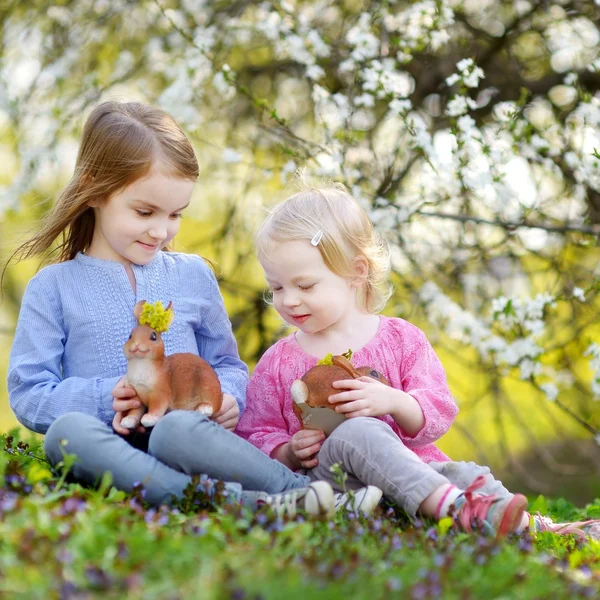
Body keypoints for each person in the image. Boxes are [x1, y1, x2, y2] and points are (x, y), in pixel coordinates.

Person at [6, 100, 342, 519]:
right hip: (109, 447)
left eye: (175, 214)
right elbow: (29, 393)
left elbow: (228, 365)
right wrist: (107, 397)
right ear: (94, 188)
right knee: (65, 436)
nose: (161, 231)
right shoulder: (53, 288)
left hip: (185, 434)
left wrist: (229, 399)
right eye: (145, 212)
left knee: (174, 429)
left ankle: (302, 492)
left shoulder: (193, 276)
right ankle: (248, 505)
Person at [236, 182, 600, 539]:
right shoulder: (279, 361)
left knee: (465, 473)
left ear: (356, 272)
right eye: (277, 288)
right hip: (338, 486)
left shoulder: (400, 339)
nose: (289, 301)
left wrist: (394, 400)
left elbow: (438, 411)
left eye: (306, 286)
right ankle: (459, 512)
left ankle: (534, 529)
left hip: (418, 474)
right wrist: (288, 451)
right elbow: (255, 433)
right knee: (359, 432)